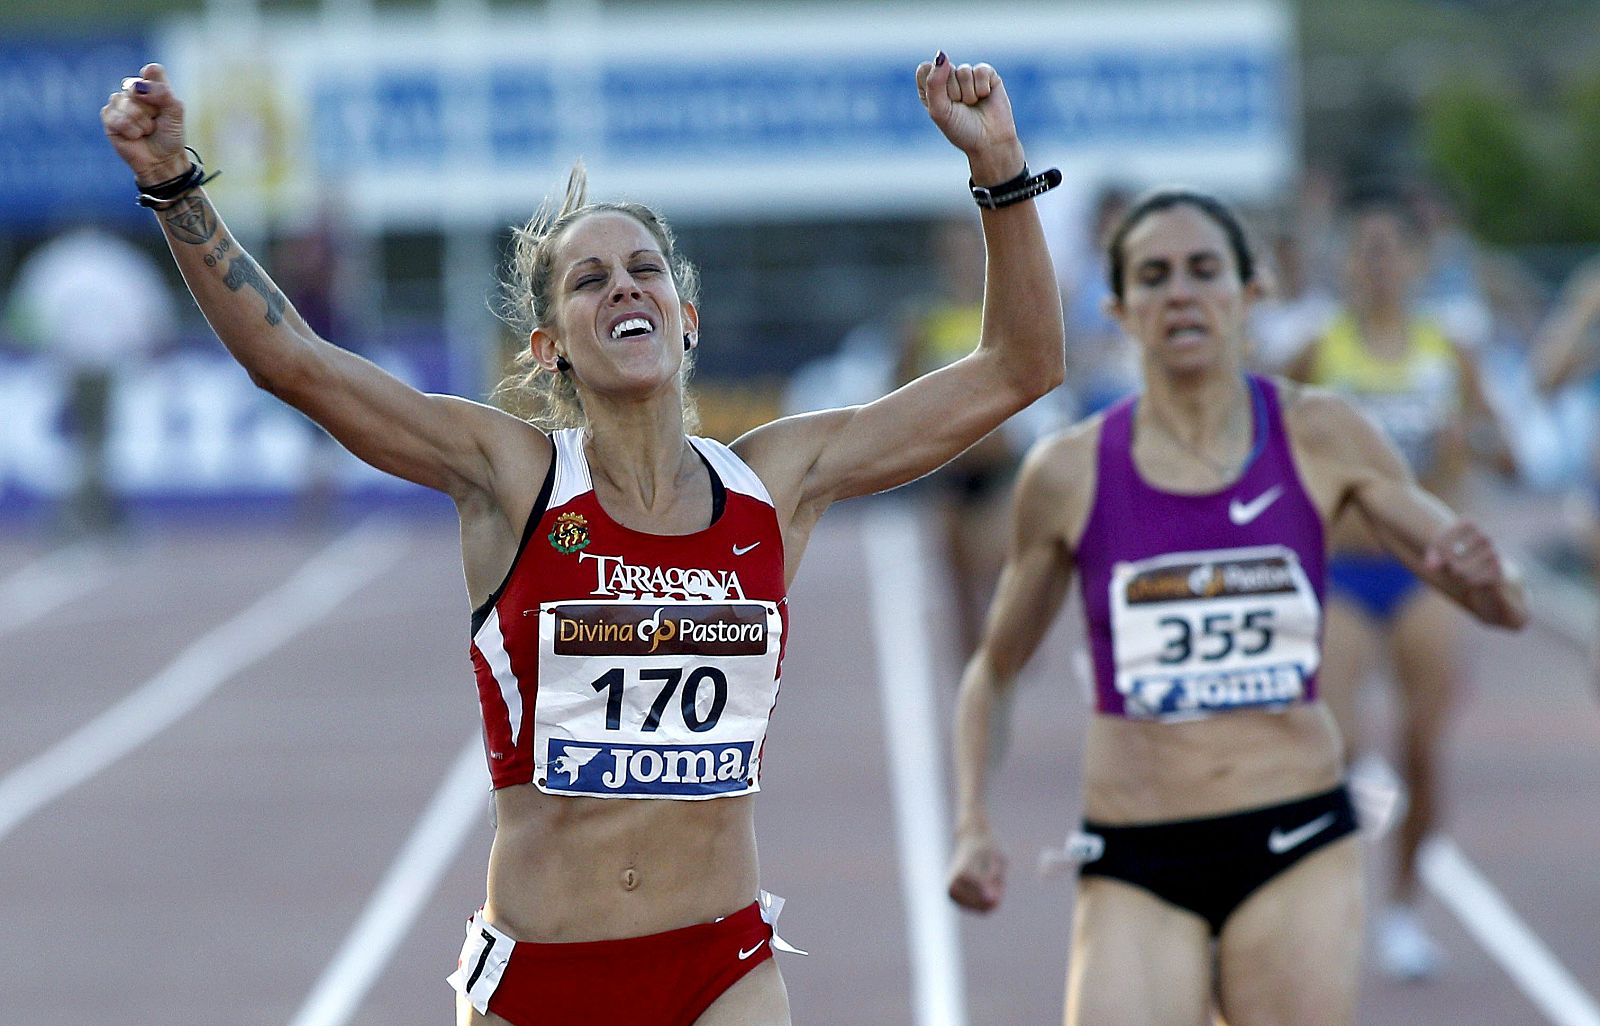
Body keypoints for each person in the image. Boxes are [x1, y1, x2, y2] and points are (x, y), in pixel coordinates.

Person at [103, 54, 1064, 1026]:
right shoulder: (509, 477)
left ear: (686, 320)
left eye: (644, 270)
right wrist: (175, 185)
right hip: (543, 981)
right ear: (549, 344)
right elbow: (294, 364)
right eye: (589, 280)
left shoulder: (773, 484)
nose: (622, 289)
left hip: (717, 967)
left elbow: (1020, 366)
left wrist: (999, 167)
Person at [944, 188, 1526, 1025]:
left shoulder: (1325, 434)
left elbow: (1501, 605)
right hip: (1137, 853)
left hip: (1292, 842)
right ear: (1119, 309)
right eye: (1154, 275)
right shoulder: (1069, 474)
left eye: (1203, 269)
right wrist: (970, 821)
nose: (1180, 291)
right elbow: (993, 671)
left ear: (1251, 294)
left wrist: (1487, 580)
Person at [1283, 186, 1516, 981]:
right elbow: (1263, 440)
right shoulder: (1319, 350)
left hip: (1426, 577)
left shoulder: (1447, 353)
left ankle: (1404, 914)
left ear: (1417, 263)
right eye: (1365, 250)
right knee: (1338, 749)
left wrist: (1469, 440)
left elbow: (1509, 452)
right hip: (1343, 572)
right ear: (1346, 264)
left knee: (1422, 755)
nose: (1379, 265)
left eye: (1392, 250)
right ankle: (1330, 902)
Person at [4, 225, 176, 535]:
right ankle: (87, 516)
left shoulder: (55, 263)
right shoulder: (120, 262)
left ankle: (83, 514)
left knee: (85, 446)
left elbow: (23, 320)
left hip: (68, 364)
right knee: (93, 447)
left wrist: (44, 350)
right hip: (102, 366)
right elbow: (149, 317)